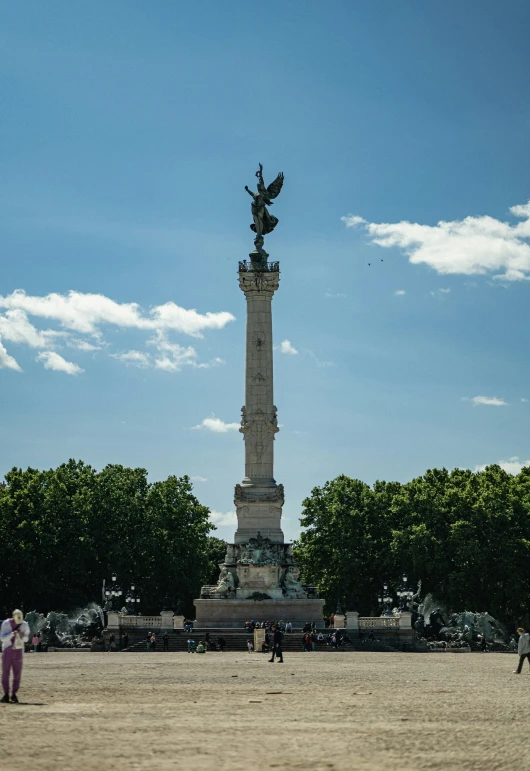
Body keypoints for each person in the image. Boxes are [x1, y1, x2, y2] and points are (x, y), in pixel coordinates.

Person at [1, 609, 30, 703]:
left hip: (18, 650)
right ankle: (6, 693)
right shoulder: (6, 623)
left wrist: (21, 636)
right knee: (5, 673)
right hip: (7, 650)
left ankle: (13, 694)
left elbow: (26, 639)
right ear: (13, 617)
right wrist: (12, 634)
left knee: (17, 674)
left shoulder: (24, 624)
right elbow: (2, 638)